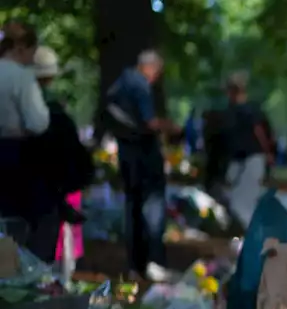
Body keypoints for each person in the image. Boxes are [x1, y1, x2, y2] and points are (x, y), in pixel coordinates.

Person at [105, 49, 177, 281]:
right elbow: (149, 121)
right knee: (153, 208)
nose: (156, 78)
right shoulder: (141, 85)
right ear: (151, 67)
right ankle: (154, 261)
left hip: (126, 154)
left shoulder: (120, 82)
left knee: (132, 208)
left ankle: (134, 265)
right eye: (157, 73)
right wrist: (170, 127)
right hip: (145, 154)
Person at [29, 47, 92, 264]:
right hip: (45, 196)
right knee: (38, 257)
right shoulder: (54, 111)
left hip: (14, 194)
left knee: (9, 259)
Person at [0, 22, 51, 248]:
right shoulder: (22, 77)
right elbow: (38, 122)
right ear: (22, 48)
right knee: (15, 226)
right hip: (14, 155)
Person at [221, 71, 274, 228]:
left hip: (251, 158)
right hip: (239, 160)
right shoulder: (233, 111)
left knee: (242, 203)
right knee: (236, 199)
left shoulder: (249, 110)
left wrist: (267, 152)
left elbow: (260, 132)